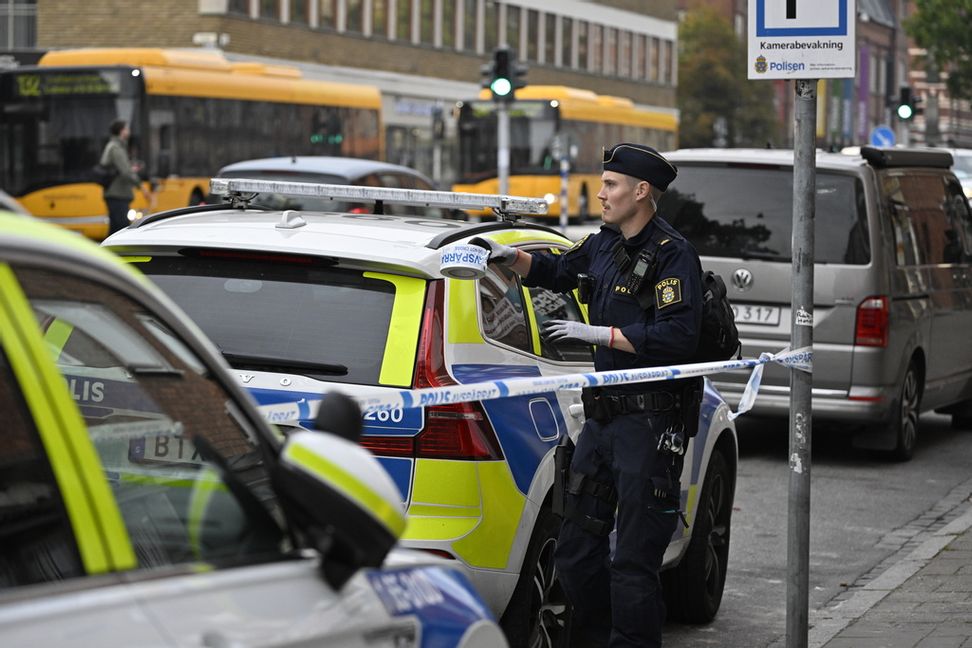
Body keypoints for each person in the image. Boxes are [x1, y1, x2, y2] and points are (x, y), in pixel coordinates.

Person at [471, 142, 703, 647]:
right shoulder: (604, 243)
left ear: (641, 192)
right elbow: (558, 269)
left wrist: (601, 336)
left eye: (611, 185)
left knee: (633, 564)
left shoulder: (673, 256)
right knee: (575, 556)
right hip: (601, 424)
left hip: (649, 425)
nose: (600, 193)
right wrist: (508, 258)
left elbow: (678, 337)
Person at [101, 118, 151, 234]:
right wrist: (141, 185)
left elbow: (121, 168)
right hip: (117, 194)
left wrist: (130, 168)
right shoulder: (116, 147)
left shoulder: (115, 146)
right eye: (127, 128)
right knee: (120, 229)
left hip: (116, 193)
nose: (129, 131)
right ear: (122, 131)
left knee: (115, 229)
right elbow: (125, 172)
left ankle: (110, 252)